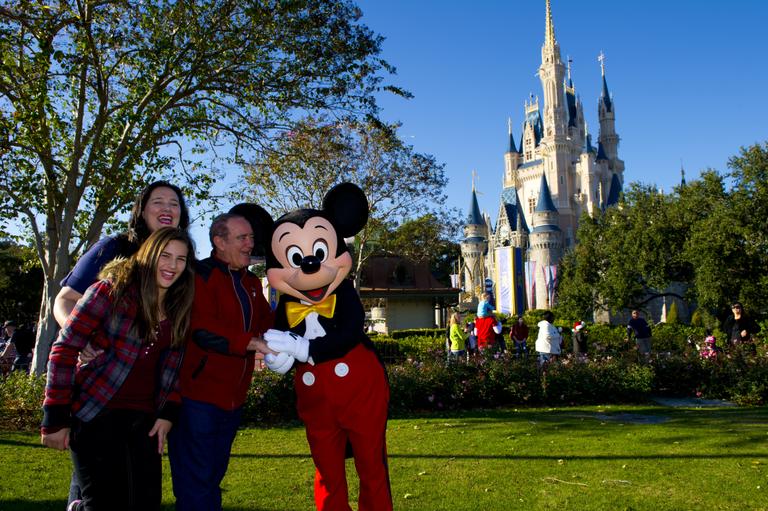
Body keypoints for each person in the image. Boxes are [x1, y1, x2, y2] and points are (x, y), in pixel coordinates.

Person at [53, 180, 190, 509]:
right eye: (158, 202)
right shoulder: (113, 251)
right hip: (101, 393)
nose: (167, 208)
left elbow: (175, 345)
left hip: (142, 406)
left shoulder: (181, 269)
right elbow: (66, 299)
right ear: (142, 211)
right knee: (96, 492)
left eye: (174, 203)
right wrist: (82, 335)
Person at [168, 213, 274, 511]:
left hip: (233, 402)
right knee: (196, 484)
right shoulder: (198, 275)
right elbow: (201, 330)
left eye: (251, 238)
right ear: (219, 241)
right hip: (197, 401)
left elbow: (270, 322)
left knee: (211, 478)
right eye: (242, 238)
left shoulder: (251, 282)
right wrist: (251, 343)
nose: (250, 244)